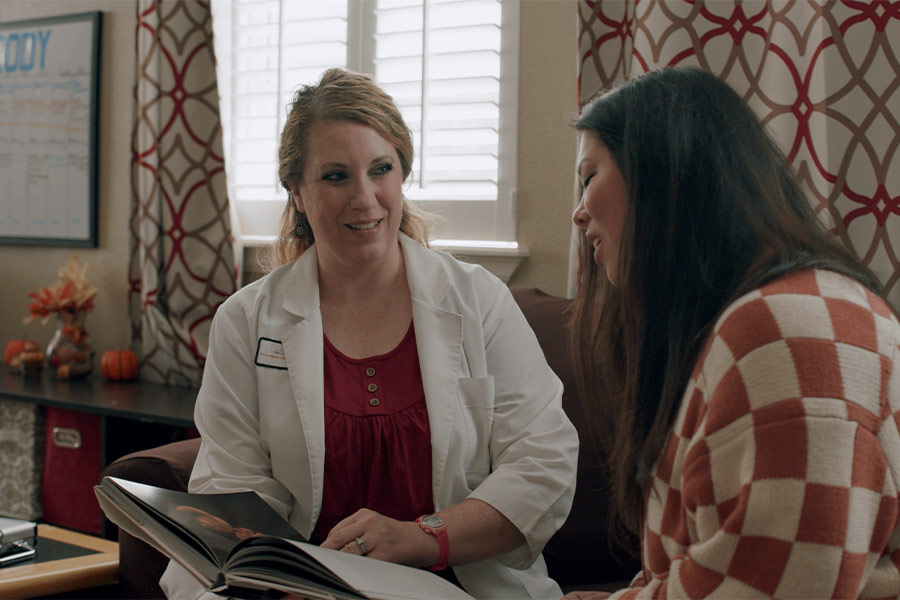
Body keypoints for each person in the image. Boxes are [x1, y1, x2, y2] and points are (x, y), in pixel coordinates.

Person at [160, 67, 578, 600]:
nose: (365, 197)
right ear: (298, 193)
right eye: (336, 176)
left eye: (381, 169)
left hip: (456, 584)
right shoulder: (245, 322)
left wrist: (424, 538)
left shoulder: (479, 300)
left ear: (402, 173)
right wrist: (276, 577)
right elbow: (232, 486)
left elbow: (543, 462)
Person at [566, 66, 900, 599]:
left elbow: (779, 587)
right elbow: (739, 558)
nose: (580, 214)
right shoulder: (762, 317)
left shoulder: (787, 333)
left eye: (589, 178)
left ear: (663, 174)